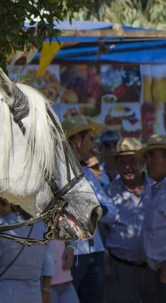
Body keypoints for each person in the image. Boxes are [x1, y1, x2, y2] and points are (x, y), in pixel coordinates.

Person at [61, 115, 118, 303]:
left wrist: (94, 209)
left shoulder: (89, 175)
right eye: (90, 139)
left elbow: (112, 212)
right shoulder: (58, 175)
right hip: (70, 255)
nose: (94, 145)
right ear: (77, 141)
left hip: (96, 254)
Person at [103, 138, 158, 303]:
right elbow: (100, 231)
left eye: (132, 161)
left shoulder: (157, 189)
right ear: (117, 165)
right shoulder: (108, 193)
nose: (127, 166)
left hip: (153, 269)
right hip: (121, 269)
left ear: (142, 163)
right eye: (122, 162)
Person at [139, 134, 166, 296]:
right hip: (155, 274)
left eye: (152, 156)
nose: (147, 162)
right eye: (146, 156)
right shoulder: (156, 190)